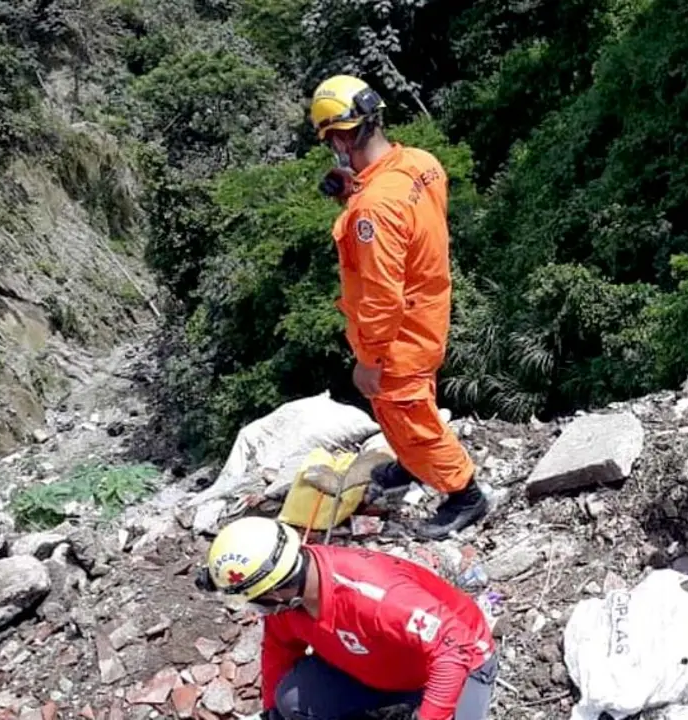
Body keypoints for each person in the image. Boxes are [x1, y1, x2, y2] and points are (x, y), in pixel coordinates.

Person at [309, 74, 489, 540]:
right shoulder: (419, 164)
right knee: (408, 407)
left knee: (408, 412)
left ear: (344, 136)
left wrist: (368, 361)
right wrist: (352, 191)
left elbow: (380, 296)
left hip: (398, 336)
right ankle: (411, 464)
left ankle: (465, 494)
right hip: (428, 310)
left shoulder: (373, 209)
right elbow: (406, 222)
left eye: (332, 138)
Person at [195, 516, 499, 720]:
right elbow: (278, 648)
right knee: (290, 702)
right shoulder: (287, 601)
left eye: (253, 599)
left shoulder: (375, 595)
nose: (255, 609)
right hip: (378, 664)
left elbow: (453, 648)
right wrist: (271, 712)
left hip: (461, 661)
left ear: (275, 590)